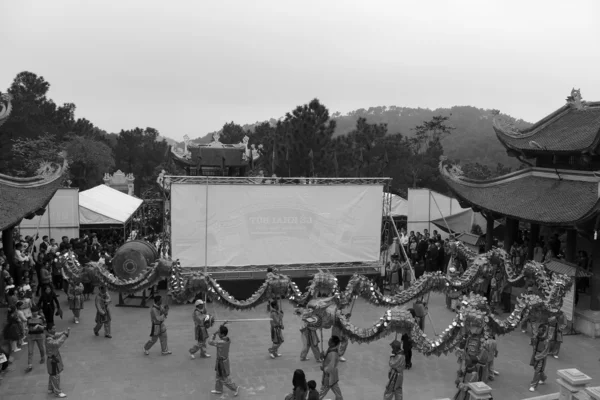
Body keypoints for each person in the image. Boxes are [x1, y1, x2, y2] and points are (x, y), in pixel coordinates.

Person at [208, 323, 239, 396]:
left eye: (219, 333)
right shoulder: (228, 339)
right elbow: (221, 329)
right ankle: (218, 389)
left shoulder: (220, 342)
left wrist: (213, 334)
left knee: (224, 378)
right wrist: (223, 324)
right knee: (218, 376)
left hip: (222, 363)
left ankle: (235, 388)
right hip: (222, 361)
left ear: (222, 334)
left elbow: (210, 342)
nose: (218, 334)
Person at [46, 326, 70, 398]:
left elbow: (56, 334)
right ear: (49, 330)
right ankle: (57, 392)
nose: (55, 330)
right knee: (55, 375)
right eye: (53, 328)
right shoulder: (49, 340)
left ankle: (50, 388)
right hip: (52, 360)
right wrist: (64, 335)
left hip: (54, 358)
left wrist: (63, 332)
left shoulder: (50, 335)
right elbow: (57, 343)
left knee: (52, 374)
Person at [319, 335, 343, 400]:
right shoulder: (330, 348)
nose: (328, 342)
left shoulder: (333, 354)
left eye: (330, 341)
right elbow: (326, 357)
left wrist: (324, 368)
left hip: (329, 376)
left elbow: (331, 366)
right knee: (336, 390)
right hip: (333, 375)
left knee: (323, 390)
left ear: (333, 343)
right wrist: (322, 355)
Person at [529, 324, 550, 392]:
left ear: (544, 332)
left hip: (541, 356)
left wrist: (538, 357)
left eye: (540, 331)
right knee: (536, 368)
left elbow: (545, 351)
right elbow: (533, 343)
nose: (539, 331)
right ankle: (543, 378)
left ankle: (533, 385)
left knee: (537, 370)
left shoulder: (546, 340)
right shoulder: (537, 337)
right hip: (535, 353)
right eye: (538, 330)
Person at [25, 306, 46, 373]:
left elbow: (45, 327)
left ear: (38, 311)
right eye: (33, 312)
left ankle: (42, 357)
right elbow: (27, 327)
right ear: (31, 312)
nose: (35, 313)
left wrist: (38, 326)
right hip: (31, 336)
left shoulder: (41, 318)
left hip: (39, 336)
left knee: (41, 348)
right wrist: (26, 330)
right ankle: (30, 365)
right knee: (30, 351)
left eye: (36, 311)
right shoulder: (29, 319)